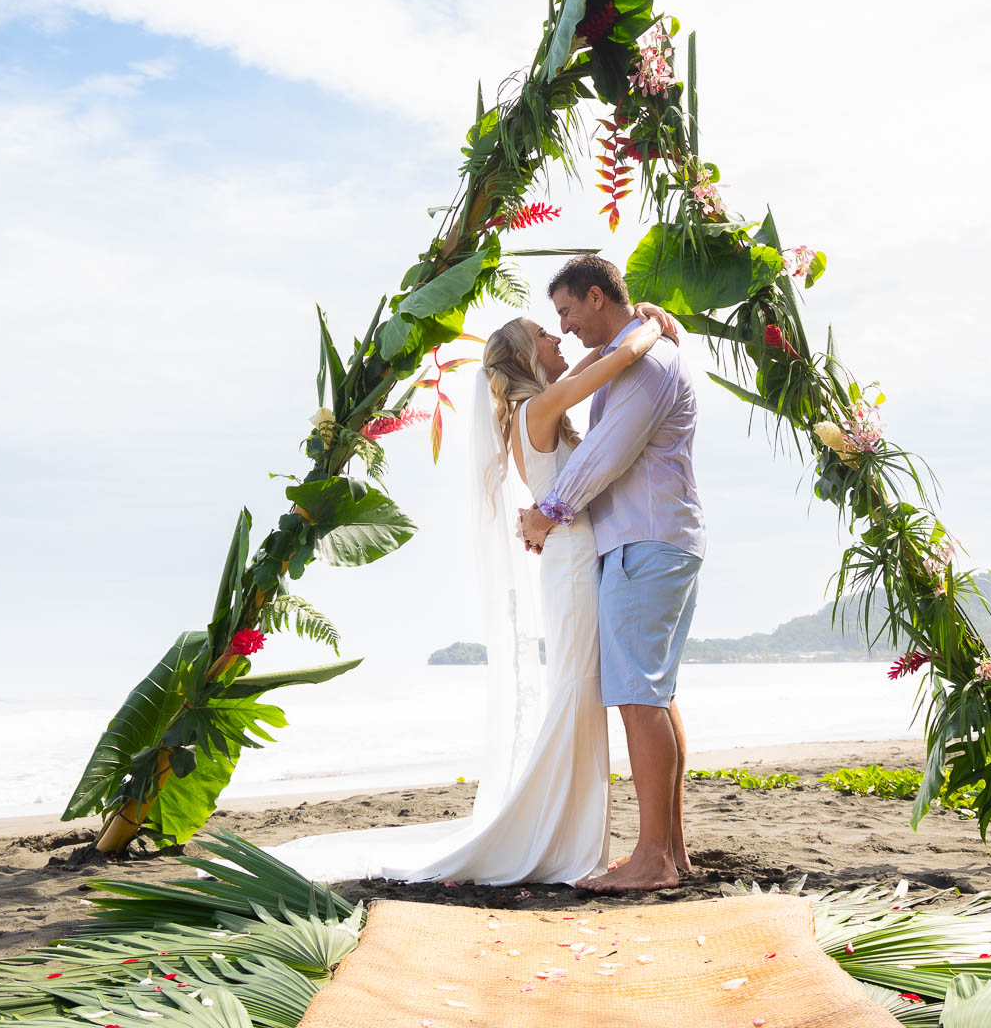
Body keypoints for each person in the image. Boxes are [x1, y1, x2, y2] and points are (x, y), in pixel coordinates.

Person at [259, 296, 678, 887]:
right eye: (544, 332)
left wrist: (634, 326)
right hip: (573, 565)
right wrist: (650, 325)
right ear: (525, 356)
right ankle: (551, 837)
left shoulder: (543, 404)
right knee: (577, 692)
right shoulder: (539, 407)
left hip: (575, 559)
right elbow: (616, 361)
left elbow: (595, 364)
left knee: (581, 693)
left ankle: (571, 834)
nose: (558, 337)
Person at [517, 254, 704, 894]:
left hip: (643, 542)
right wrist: (646, 321)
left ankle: (654, 858)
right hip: (658, 539)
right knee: (656, 693)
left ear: (597, 297)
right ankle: (670, 850)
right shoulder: (634, 354)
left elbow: (606, 453)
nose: (564, 326)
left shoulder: (645, 363)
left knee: (639, 697)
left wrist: (548, 511)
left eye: (567, 311)